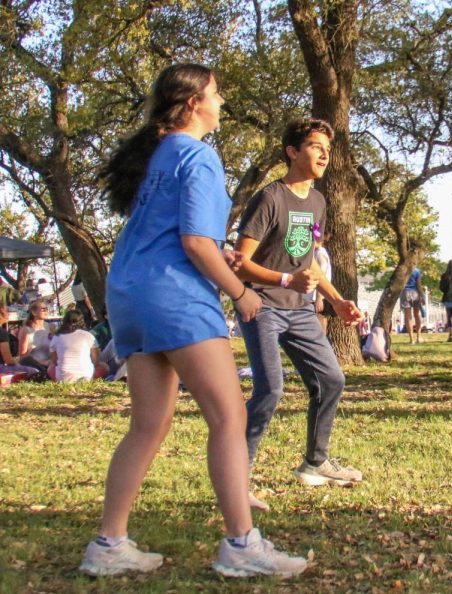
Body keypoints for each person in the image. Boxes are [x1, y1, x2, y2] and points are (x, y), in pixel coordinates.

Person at [80, 64, 306, 578]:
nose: (222, 101)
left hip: (131, 296)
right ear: (191, 105)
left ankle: (108, 545)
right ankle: (242, 546)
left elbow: (181, 236)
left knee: (148, 425)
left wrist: (217, 259)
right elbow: (194, 243)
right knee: (228, 418)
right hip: (176, 298)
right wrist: (242, 293)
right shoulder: (199, 156)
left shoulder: (155, 155)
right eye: (216, 93)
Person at [235, 118, 364, 502]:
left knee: (332, 380)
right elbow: (240, 263)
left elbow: (307, 262)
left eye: (327, 146)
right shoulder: (270, 198)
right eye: (314, 145)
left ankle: (315, 463)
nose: (324, 152)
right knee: (270, 390)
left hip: (301, 311)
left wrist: (338, 300)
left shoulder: (318, 202)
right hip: (263, 305)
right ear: (293, 152)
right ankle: (237, 478)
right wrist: (285, 281)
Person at [49, 310, 109, 382]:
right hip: (87, 376)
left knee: (50, 367)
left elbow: (55, 361)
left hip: (63, 378)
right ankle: (93, 379)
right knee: (104, 366)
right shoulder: (88, 335)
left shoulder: (56, 337)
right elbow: (95, 361)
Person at [0, 303, 39, 379]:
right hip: (1, 369)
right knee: (34, 371)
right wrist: (18, 361)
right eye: (7, 310)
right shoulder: (2, 332)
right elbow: (8, 360)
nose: (9, 313)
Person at [18, 299, 52, 378]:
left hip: (50, 362)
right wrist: (30, 350)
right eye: (43, 309)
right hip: (34, 364)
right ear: (34, 312)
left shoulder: (50, 327)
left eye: (46, 309)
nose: (46, 311)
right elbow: (22, 357)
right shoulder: (26, 330)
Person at [400, 267, 424, 344]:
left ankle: (411, 338)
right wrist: (422, 295)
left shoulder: (402, 270)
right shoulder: (417, 271)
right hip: (415, 293)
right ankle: (419, 336)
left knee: (407, 316)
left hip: (405, 292)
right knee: (416, 314)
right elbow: (418, 284)